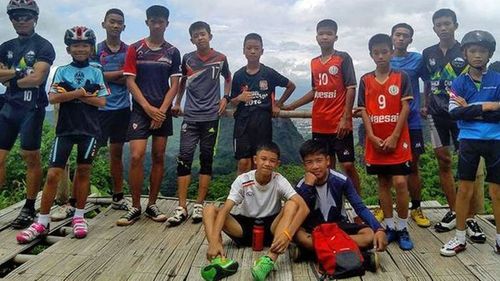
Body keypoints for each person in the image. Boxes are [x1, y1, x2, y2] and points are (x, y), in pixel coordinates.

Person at [16, 26, 108, 243]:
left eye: (84, 45)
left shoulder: (96, 71)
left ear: (91, 48)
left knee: (83, 172)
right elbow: (52, 98)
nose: (80, 49)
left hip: (89, 130)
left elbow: (102, 101)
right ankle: (42, 221)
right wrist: (81, 93)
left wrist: (73, 95)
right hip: (65, 130)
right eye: (75, 45)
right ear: (68, 49)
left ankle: (79, 216)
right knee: (53, 175)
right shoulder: (62, 71)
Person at [201, 143, 309, 281]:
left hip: (272, 229)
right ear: (255, 160)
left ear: (277, 164)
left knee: (292, 204)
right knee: (209, 209)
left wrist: (287, 235)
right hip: (243, 227)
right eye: (263, 159)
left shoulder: (279, 180)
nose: (267, 163)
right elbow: (224, 210)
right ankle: (218, 260)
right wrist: (214, 240)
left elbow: (303, 208)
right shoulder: (243, 180)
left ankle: (269, 260)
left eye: (272, 161)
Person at [282, 19, 361, 208]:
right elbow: (315, 90)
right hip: (319, 124)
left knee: (348, 166)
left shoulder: (343, 58)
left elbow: (351, 87)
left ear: (335, 37)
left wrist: (346, 117)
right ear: (316, 37)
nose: (325, 36)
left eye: (329, 33)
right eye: (321, 33)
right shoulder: (314, 63)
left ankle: (359, 206)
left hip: (339, 124)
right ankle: (331, 206)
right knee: (327, 168)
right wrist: (292, 106)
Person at [116, 5, 181, 226]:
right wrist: (147, 108)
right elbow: (130, 81)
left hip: (161, 110)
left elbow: (175, 84)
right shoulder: (136, 49)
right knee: (136, 156)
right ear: (147, 23)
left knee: (159, 156)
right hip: (140, 110)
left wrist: (161, 111)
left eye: (161, 21)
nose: (157, 25)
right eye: (153, 21)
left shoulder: (172, 51)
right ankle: (135, 206)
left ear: (166, 24)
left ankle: (152, 204)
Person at [422, 8, 484, 233]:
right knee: (443, 161)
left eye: (447, 24)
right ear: (434, 28)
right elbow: (427, 81)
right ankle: (454, 209)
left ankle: (470, 215)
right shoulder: (428, 52)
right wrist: (425, 103)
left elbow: (477, 77)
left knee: (468, 163)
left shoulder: (466, 50)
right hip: (437, 115)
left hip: (461, 115)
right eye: (439, 25)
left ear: (455, 25)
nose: (443, 28)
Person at [441, 30, 500, 256]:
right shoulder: (459, 81)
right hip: (469, 140)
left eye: (482, 51)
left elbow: (465, 112)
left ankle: (499, 240)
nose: (477, 55)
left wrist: (471, 110)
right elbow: (454, 113)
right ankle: (459, 238)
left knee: (497, 192)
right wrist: (489, 106)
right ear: (465, 53)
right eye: (472, 51)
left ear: (489, 54)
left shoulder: (497, 78)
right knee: (464, 189)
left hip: (496, 139)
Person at [167, 21, 231, 226]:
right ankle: (181, 206)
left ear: (210, 36)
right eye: (196, 35)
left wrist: (225, 98)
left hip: (211, 116)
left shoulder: (221, 58)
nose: (200, 37)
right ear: (192, 39)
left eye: (203, 34)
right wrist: (178, 102)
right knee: (184, 158)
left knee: (206, 160)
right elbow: (182, 81)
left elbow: (228, 78)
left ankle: (199, 204)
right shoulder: (188, 59)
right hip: (191, 116)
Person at [0, 0, 55, 229]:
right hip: (8, 108)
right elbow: (1, 77)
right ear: (11, 19)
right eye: (16, 16)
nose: (21, 20)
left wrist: (13, 75)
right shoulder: (5, 46)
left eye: (26, 16)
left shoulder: (44, 45)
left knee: (30, 157)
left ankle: (29, 206)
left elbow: (37, 79)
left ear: (35, 18)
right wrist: (23, 72)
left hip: (32, 109)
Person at [293, 139, 386, 271]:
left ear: (328, 161)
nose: (315, 166)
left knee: (368, 235)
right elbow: (298, 213)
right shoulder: (301, 185)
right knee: (299, 235)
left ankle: (312, 254)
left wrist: (378, 229)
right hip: (314, 228)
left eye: (319, 160)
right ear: (304, 165)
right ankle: (359, 258)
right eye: (309, 162)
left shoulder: (341, 180)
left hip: (338, 226)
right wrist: (308, 187)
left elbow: (359, 207)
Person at [357, 34, 414, 251]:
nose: (380, 56)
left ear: (391, 52)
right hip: (376, 140)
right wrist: (371, 136)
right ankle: (390, 226)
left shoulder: (402, 77)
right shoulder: (365, 80)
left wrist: (395, 137)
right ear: (371, 55)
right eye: (376, 53)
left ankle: (402, 226)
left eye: (384, 52)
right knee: (383, 182)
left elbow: (405, 108)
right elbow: (363, 110)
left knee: (400, 182)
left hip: (398, 140)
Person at [230, 33, 295, 175]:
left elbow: (291, 86)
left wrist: (279, 104)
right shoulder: (238, 75)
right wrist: (239, 98)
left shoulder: (269, 73)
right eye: (249, 48)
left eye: (256, 48)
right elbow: (232, 101)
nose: (252, 51)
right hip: (242, 124)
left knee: (258, 162)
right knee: (243, 162)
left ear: (262, 51)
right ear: (243, 50)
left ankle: (255, 196)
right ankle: (240, 195)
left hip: (263, 124)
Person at [389, 23, 430, 227]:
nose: (401, 38)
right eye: (398, 35)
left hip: (412, 120)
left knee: (413, 166)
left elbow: (428, 80)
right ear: (392, 37)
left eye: (405, 36)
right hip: (388, 120)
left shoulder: (417, 60)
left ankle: (416, 207)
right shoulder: (385, 58)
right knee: (385, 167)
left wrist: (426, 103)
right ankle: (383, 205)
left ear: (410, 40)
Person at [96, 8, 131, 210]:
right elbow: (95, 76)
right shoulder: (95, 49)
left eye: (119, 22)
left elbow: (131, 77)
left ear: (124, 26)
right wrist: (120, 74)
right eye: (112, 22)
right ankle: (74, 201)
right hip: (99, 109)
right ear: (104, 24)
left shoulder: (129, 51)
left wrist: (106, 75)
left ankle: (118, 196)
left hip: (122, 109)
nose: (115, 25)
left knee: (116, 154)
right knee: (88, 155)